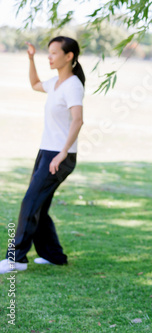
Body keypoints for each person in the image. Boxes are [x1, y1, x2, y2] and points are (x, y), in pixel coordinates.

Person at [0, 36, 85, 274]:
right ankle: (53, 255)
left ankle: (16, 258)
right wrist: (30, 59)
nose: (49, 56)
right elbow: (35, 84)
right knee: (39, 205)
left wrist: (62, 154)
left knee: (30, 202)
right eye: (48, 53)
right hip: (46, 151)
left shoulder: (73, 86)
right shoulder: (56, 83)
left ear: (69, 56)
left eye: (54, 53)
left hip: (59, 155)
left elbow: (78, 120)